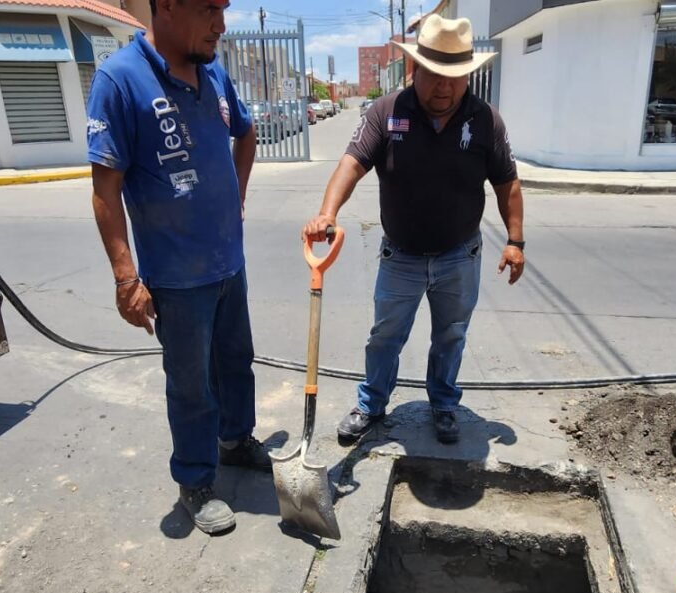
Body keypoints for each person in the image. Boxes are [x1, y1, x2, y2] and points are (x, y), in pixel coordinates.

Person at [301, 14, 525, 445]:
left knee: (451, 335)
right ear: (415, 68)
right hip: (400, 255)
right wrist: (327, 213)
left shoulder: (485, 119)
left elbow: (507, 183)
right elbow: (352, 163)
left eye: (455, 77)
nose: (445, 87)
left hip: (460, 254)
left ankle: (443, 403)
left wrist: (515, 241)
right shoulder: (387, 112)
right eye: (435, 75)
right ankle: (371, 404)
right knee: (385, 336)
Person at [86, 0, 263, 536]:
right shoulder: (120, 80)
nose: (220, 24)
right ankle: (194, 480)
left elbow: (247, 133)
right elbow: (105, 190)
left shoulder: (214, 72)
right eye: (208, 8)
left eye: (223, 9)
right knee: (190, 385)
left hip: (229, 264)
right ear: (165, 6)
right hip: (176, 277)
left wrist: (236, 199)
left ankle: (236, 440)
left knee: (236, 362)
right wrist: (126, 278)